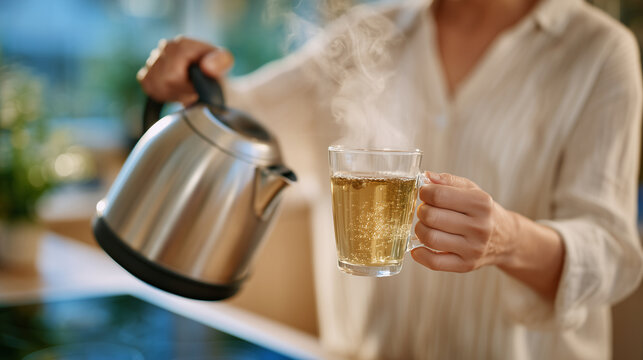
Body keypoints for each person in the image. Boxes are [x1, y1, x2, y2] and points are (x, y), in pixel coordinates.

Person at [137, 0, 643, 358]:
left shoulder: (597, 51)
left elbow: (613, 252)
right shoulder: (367, 33)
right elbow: (248, 120)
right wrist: (193, 79)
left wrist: (509, 240)